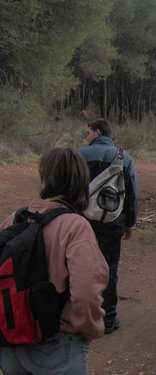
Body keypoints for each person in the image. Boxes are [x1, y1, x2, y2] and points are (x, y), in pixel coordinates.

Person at [0, 148, 109, 374]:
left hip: (11, 343)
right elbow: (86, 292)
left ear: (44, 176)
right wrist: (87, 328)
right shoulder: (76, 227)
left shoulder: (15, 218)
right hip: (57, 345)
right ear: (80, 180)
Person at [80, 118, 139, 334]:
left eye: (87, 132)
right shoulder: (125, 157)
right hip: (114, 220)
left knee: (80, 264)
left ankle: (81, 313)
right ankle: (108, 318)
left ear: (96, 132)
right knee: (109, 268)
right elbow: (131, 193)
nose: (86, 136)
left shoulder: (81, 155)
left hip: (83, 220)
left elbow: (70, 187)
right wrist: (129, 223)